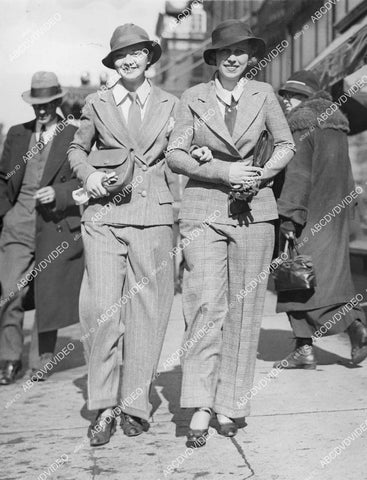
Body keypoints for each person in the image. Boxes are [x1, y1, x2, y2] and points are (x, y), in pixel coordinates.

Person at [166, 19, 295, 448]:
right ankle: (200, 403)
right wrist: (225, 170)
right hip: (203, 210)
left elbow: (285, 144)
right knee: (204, 304)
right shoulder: (192, 97)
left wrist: (258, 175)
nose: (234, 57)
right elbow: (175, 154)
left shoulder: (265, 95)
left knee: (244, 310)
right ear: (214, 59)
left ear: (252, 58)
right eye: (225, 52)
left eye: (241, 51)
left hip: (254, 213)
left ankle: (230, 404)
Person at [68, 24, 177, 447]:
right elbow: (77, 149)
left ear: (150, 57)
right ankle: (102, 406)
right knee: (101, 311)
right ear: (113, 62)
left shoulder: (172, 103)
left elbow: (183, 148)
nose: (129, 60)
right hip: (104, 218)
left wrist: (197, 151)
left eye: (137, 53)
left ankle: (134, 405)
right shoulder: (98, 102)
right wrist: (89, 173)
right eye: (121, 55)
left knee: (149, 313)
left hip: (153, 217)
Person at [274, 70, 367, 369]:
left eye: (293, 95)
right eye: (285, 94)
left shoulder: (301, 127)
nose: (286, 100)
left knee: (298, 279)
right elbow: (348, 177)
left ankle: (355, 327)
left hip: (309, 217)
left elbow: (298, 177)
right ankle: (306, 348)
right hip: (335, 218)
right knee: (323, 282)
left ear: (307, 98)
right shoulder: (336, 126)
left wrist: (288, 217)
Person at [0, 71, 83, 384]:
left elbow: (85, 177)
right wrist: (5, 214)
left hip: (54, 226)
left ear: (58, 100)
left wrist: (60, 194)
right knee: (10, 292)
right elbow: (3, 177)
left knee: (48, 295)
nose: (43, 108)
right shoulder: (17, 134)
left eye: (48, 102)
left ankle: (42, 360)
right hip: (17, 226)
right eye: (37, 103)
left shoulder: (74, 133)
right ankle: (9, 359)